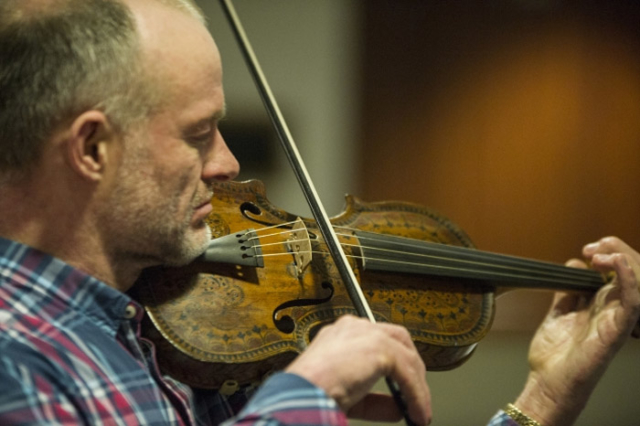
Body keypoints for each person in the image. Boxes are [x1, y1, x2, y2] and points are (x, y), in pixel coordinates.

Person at [0, 0, 637, 425]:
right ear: (90, 148)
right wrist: (304, 395)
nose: (226, 166)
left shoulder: (155, 333)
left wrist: (544, 398)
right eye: (198, 133)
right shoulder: (18, 360)